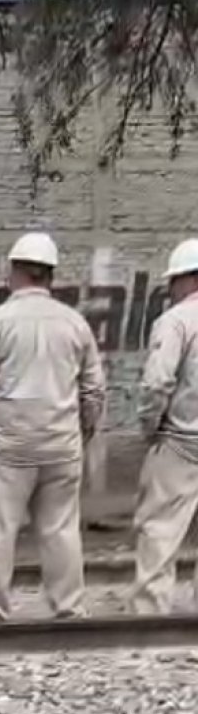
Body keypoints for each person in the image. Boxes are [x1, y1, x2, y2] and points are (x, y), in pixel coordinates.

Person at [0, 231, 107, 621]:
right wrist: (83, 432)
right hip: (62, 445)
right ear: (50, 275)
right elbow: (94, 390)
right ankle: (68, 608)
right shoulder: (75, 323)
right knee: (61, 528)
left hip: (7, 447)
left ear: (14, 272)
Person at [126, 238, 198, 614]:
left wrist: (149, 427)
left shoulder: (176, 321)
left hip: (181, 442)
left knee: (160, 530)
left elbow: (157, 382)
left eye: (173, 281)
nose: (170, 289)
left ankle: (151, 615)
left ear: (188, 279)